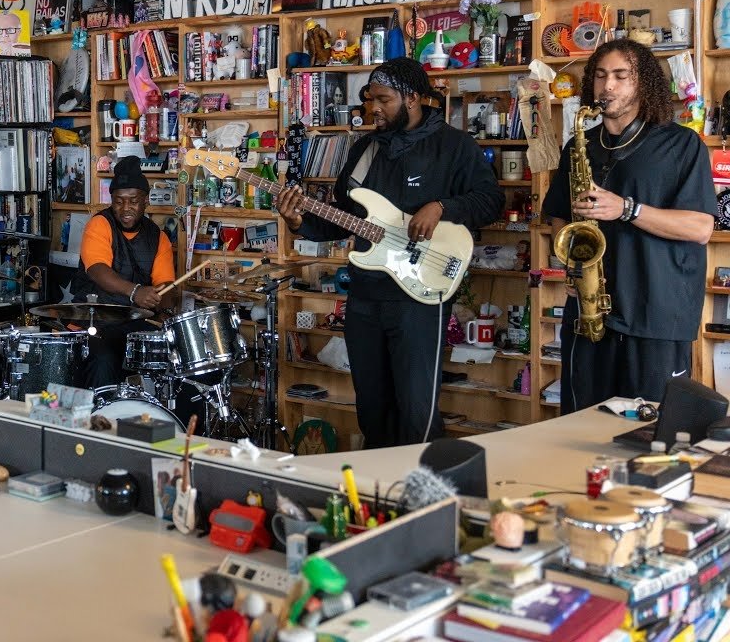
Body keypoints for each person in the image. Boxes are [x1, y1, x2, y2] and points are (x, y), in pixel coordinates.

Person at [276, 58, 504, 448]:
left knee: (417, 411)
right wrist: (299, 222)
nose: (373, 109)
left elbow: (491, 201)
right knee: (372, 409)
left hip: (419, 299)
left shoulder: (454, 146)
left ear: (412, 98)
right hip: (365, 297)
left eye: (383, 99)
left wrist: (443, 207)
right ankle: (379, 499)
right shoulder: (365, 150)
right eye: (369, 100)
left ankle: (424, 495)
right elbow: (345, 218)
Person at [543, 39, 716, 412]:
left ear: (643, 84)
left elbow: (700, 227)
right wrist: (571, 267)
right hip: (591, 314)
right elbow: (559, 215)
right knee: (579, 426)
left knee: (649, 432)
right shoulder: (579, 145)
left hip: (656, 315)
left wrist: (626, 208)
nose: (608, 86)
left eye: (622, 76)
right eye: (602, 76)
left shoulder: (683, 145)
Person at [72, 156, 179, 389]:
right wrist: (136, 292)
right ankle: (102, 420)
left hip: (136, 322)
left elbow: (167, 285)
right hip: (97, 320)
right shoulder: (99, 224)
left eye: (133, 201)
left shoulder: (158, 237)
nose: (126, 208)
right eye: (119, 201)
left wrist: (164, 305)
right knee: (103, 359)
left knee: (174, 357)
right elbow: (98, 270)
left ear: (145, 201)